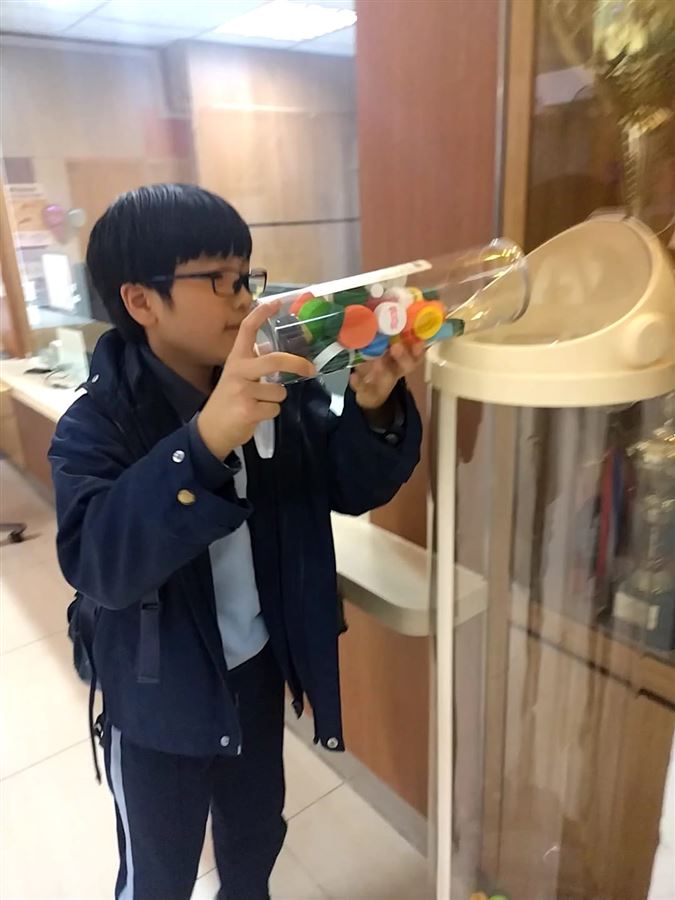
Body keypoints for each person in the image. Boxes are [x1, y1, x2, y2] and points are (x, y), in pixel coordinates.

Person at [49, 183, 423, 900]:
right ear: (141, 301)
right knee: (158, 873)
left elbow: (346, 487)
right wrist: (203, 442)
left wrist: (373, 408)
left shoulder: (274, 388)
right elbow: (100, 564)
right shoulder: (97, 423)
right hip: (156, 695)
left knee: (254, 844)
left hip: (255, 670)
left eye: (246, 275)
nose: (245, 299)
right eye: (219, 280)